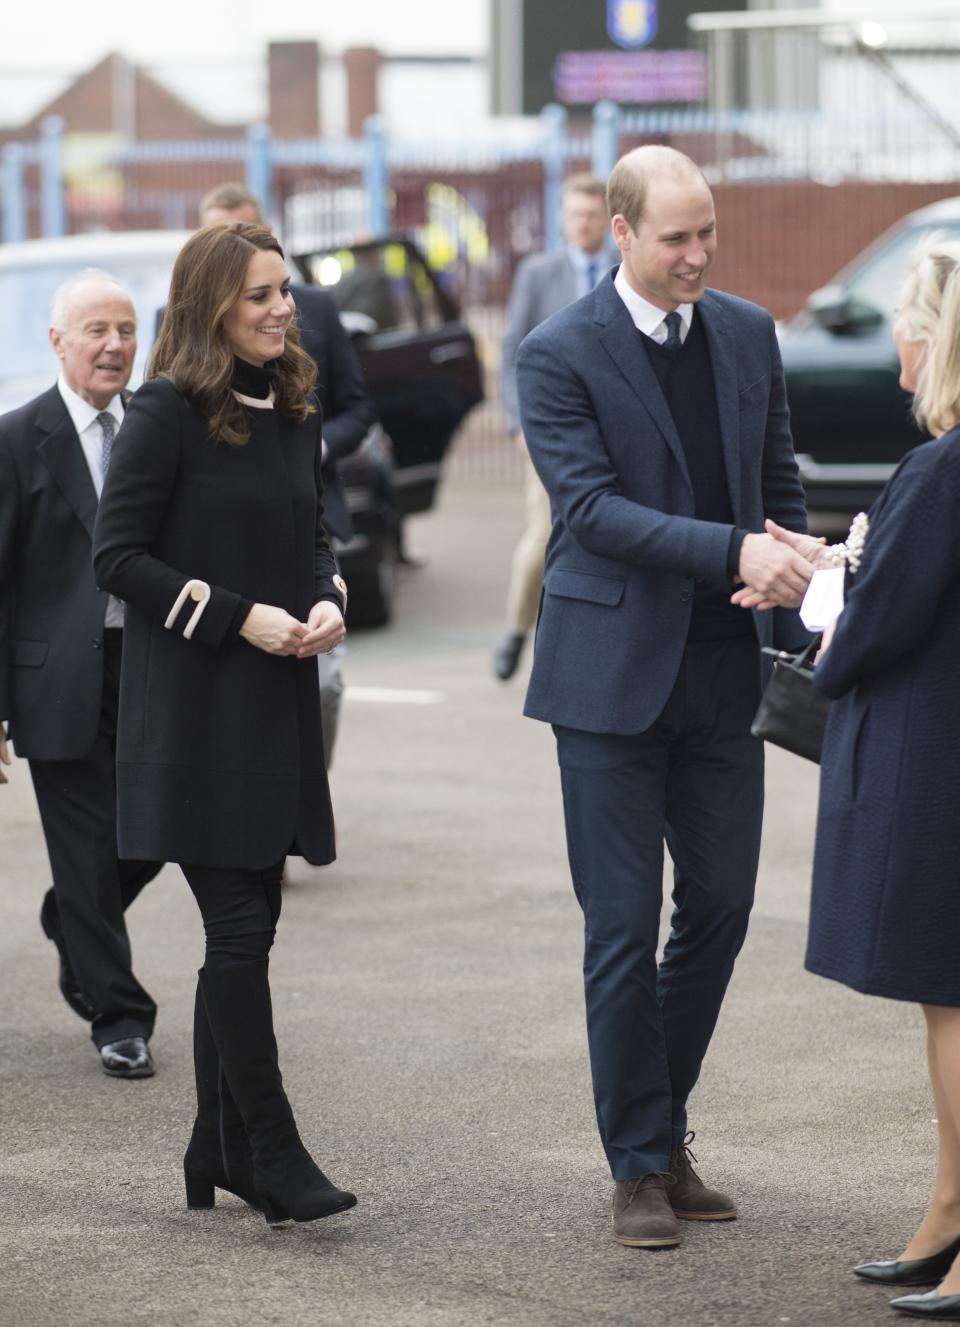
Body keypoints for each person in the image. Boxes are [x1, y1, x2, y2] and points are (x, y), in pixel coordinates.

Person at [515, 145, 814, 1249]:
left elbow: (774, 479)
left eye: (708, 234)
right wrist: (732, 544)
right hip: (607, 683)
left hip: (725, 671)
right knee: (620, 926)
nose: (698, 256)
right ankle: (639, 1163)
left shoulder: (746, 332)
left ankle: (662, 1118)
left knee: (726, 907)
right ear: (623, 234)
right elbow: (589, 512)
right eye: (677, 237)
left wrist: (793, 582)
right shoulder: (558, 353)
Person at [92, 222, 356, 1225]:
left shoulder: (293, 402)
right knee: (239, 928)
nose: (280, 309)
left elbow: (315, 528)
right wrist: (236, 611)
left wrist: (328, 593)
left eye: (283, 291)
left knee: (254, 930)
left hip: (276, 707)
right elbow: (116, 558)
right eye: (259, 296)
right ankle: (272, 1153)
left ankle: (217, 1145)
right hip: (195, 714)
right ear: (211, 306)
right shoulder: (163, 412)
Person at [797, 239, 960, 1321]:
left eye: (909, 320)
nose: (896, 341)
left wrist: (827, 603)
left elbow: (880, 619)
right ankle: (950, 1208)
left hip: (942, 760)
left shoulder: (942, 467)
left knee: (954, 1000)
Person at [0, 271, 162, 1079]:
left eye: (127, 330)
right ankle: (119, 1015)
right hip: (55, 678)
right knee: (87, 840)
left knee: (158, 827)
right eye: (96, 330)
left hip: (154, 667)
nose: (114, 345)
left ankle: (71, 915)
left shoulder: (159, 429)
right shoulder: (15, 437)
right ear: (59, 342)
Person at [196, 183, 376, 769]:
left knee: (321, 682)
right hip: (225, 541)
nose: (279, 308)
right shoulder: (169, 394)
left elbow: (356, 406)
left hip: (301, 512)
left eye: (282, 291)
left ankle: (299, 794)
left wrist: (311, 448)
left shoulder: (314, 320)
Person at [493, 174, 612, 681]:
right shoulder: (539, 273)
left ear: (609, 219)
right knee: (543, 534)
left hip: (612, 431)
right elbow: (511, 349)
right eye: (575, 214)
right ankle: (516, 631)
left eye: (592, 214)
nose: (583, 223)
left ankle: (590, 646)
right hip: (553, 431)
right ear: (564, 218)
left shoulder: (626, 269)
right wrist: (520, 422)